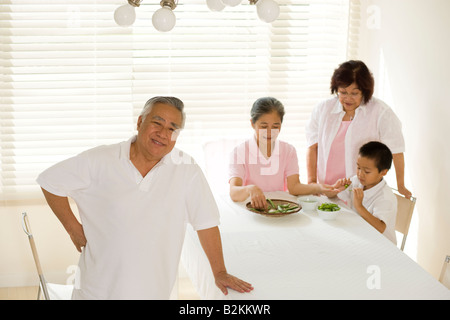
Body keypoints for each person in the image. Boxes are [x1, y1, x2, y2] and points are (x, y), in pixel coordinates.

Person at [37, 96, 253, 299]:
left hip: (153, 290)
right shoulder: (100, 159)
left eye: (172, 128)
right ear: (140, 121)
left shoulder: (186, 169)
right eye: (157, 123)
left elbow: (206, 223)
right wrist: (73, 228)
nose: (163, 133)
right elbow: (50, 181)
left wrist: (220, 272)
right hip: (97, 289)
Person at [306, 60, 412, 199]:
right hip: (327, 189)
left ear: (364, 91)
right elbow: (313, 146)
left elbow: (396, 151)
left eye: (354, 93)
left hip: (363, 193)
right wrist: (312, 182)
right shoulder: (323, 109)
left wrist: (401, 185)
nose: (348, 98)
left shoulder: (381, 113)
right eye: (343, 92)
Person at [229, 97, 337, 210]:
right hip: (250, 208)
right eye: (264, 126)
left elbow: (294, 187)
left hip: (277, 208)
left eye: (275, 126)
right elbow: (234, 192)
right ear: (252, 123)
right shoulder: (239, 152)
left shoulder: (288, 150)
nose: (270, 132)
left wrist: (320, 188)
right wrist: (250, 189)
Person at [332, 141, 397, 244]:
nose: (360, 174)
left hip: (381, 244)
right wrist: (335, 189)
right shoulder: (357, 181)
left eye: (366, 171)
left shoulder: (385, 198)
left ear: (383, 172)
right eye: (358, 168)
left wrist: (359, 207)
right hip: (359, 235)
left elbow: (380, 228)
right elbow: (333, 197)